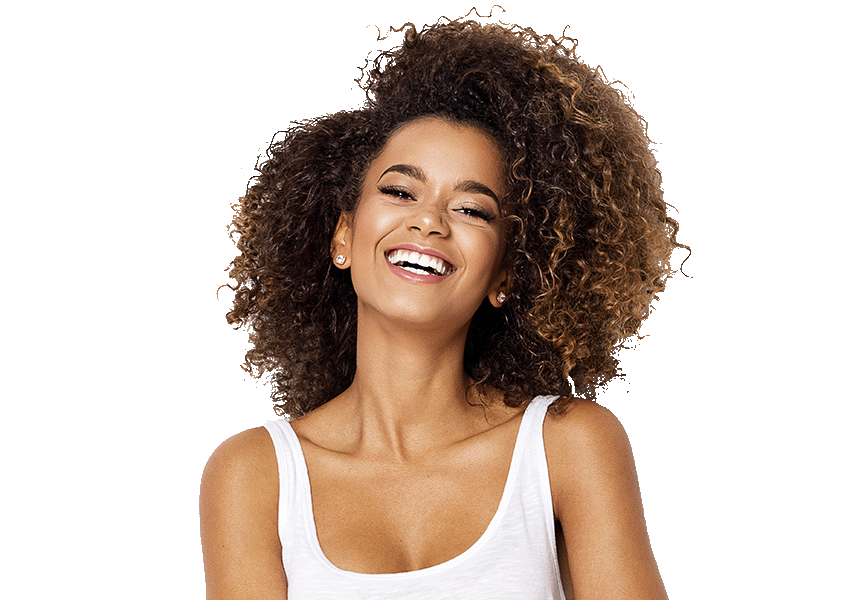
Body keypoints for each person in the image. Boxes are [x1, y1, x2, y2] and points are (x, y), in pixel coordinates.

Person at [200, 15, 685, 600]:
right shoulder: (254, 476)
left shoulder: (568, 448)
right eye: (400, 191)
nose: (428, 219)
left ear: (505, 274)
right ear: (342, 238)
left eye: (473, 210)